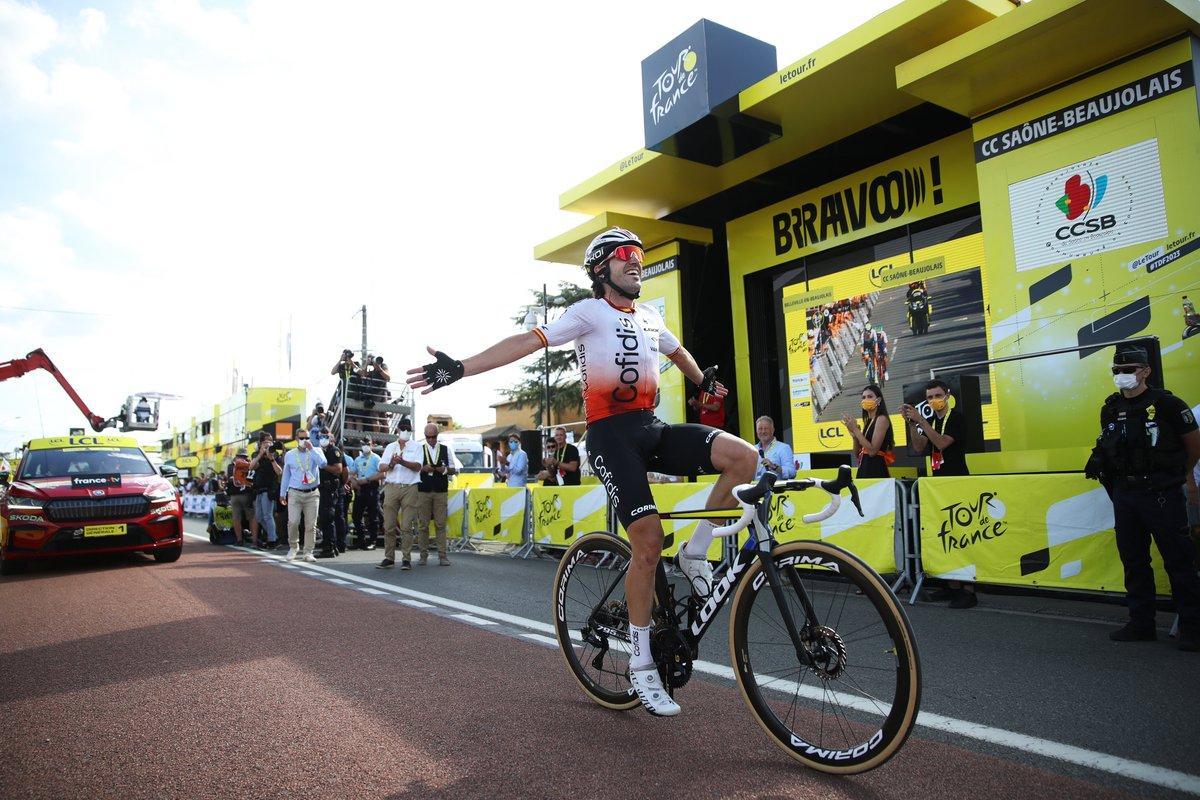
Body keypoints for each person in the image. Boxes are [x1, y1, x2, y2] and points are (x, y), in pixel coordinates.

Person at [406, 226, 757, 717]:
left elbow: (677, 353)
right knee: (649, 542)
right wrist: (462, 368)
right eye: (625, 256)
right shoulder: (588, 312)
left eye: (639, 254)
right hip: (611, 437)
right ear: (600, 269)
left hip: (651, 428)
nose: (636, 261)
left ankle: (697, 552)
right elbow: (525, 344)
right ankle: (641, 665)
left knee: (744, 458)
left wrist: (704, 382)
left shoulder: (652, 315)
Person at [1085, 344, 1200, 651]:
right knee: (1134, 560)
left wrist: (1178, 479)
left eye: (1128, 370)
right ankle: (1141, 623)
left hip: (1162, 494)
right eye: (1116, 371)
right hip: (1126, 495)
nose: (1121, 376)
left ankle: (1192, 628)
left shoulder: (1169, 405)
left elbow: (1193, 448)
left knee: (1179, 561)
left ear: (1145, 371)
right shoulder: (1110, 408)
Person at [901, 380, 975, 608]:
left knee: (961, 536)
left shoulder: (957, 418)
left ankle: (969, 589)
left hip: (957, 482)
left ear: (947, 395)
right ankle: (951, 586)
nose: (934, 400)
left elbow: (942, 443)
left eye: (937, 395)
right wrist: (913, 424)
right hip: (939, 485)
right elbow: (921, 446)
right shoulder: (932, 420)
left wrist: (922, 420)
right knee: (944, 534)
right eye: (930, 397)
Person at [374, 418, 422, 570]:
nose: (406, 431)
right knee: (388, 525)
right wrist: (392, 464)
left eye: (408, 429)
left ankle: (406, 559)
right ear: (398, 430)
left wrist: (401, 462)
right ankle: (389, 558)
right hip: (392, 486)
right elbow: (382, 467)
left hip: (410, 487)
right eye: (403, 428)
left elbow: (418, 467)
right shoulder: (390, 446)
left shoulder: (417, 446)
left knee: (407, 526)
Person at [279, 429, 326, 562]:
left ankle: (308, 552)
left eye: (306, 437)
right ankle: (293, 547)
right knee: (293, 522)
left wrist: (311, 449)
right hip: (295, 492)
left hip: (312, 493)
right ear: (296, 438)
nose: (304, 440)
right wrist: (282, 493)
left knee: (311, 524)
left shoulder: (316, 450)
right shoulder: (290, 454)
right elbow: (286, 475)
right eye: (301, 438)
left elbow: (323, 464)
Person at [415, 423, 457, 566]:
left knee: (440, 524)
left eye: (433, 437)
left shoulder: (445, 449)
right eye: (428, 437)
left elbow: (453, 469)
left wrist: (444, 470)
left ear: (437, 436)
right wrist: (422, 468)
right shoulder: (419, 449)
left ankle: (442, 556)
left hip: (440, 491)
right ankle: (423, 556)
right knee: (423, 525)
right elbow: (414, 468)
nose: (430, 440)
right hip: (423, 491)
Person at [842, 384, 894, 478]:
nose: (866, 399)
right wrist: (854, 436)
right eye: (864, 397)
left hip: (875, 470)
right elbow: (858, 454)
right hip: (863, 469)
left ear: (878, 400)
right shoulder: (868, 421)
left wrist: (855, 429)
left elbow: (872, 451)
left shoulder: (882, 419)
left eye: (869, 396)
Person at [248, 433, 283, 549]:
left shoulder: (275, 454)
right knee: (259, 517)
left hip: (269, 489)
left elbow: (279, 472)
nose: (268, 443)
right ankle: (275, 537)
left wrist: (271, 458)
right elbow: (251, 467)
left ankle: (272, 540)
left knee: (268, 515)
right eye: (265, 441)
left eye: (270, 441)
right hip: (258, 489)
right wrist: (261, 453)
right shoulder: (256, 454)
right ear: (261, 443)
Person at [315, 432, 345, 558]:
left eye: (326, 437)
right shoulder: (318, 451)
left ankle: (330, 548)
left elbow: (339, 469)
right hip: (321, 487)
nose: (323, 439)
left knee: (328, 517)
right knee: (324, 517)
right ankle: (330, 545)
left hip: (330, 488)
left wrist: (324, 466)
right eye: (321, 437)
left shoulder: (334, 450)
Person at [352, 439, 382, 550]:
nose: (365, 446)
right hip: (360, 488)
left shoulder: (376, 458)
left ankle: (373, 541)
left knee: (373, 516)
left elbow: (382, 473)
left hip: (372, 487)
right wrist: (354, 482)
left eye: (367, 444)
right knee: (356, 515)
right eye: (363, 444)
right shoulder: (358, 459)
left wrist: (368, 480)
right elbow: (352, 473)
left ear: (372, 445)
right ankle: (361, 540)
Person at [753, 416, 797, 481]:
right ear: (756, 431)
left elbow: (792, 473)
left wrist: (774, 467)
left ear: (773, 430)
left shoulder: (784, 448)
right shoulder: (752, 449)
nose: (763, 432)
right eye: (760, 429)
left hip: (775, 490)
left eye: (766, 428)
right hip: (755, 489)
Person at [228, 449, 255, 545]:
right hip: (247, 493)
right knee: (252, 517)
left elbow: (230, 479)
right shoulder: (251, 465)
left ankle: (239, 540)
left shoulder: (231, 466)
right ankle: (254, 540)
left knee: (236, 518)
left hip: (234, 495)